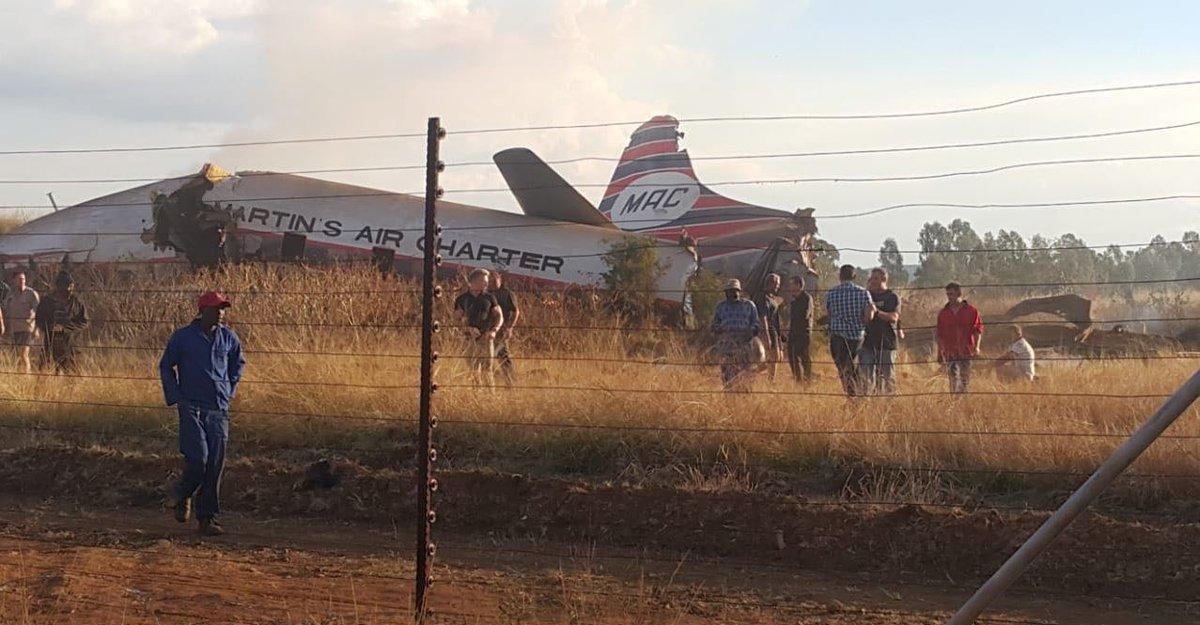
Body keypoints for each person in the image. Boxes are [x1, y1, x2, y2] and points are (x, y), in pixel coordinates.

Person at [160, 291, 245, 536]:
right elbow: (166, 365)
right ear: (202, 310)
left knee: (215, 465)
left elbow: (238, 363)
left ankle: (208, 518)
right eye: (216, 308)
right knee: (199, 458)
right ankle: (183, 493)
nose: (220, 313)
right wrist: (175, 396)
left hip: (218, 408)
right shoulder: (184, 337)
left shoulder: (228, 337)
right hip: (192, 406)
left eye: (223, 309)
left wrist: (230, 388)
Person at [825, 265, 875, 396]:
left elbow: (829, 314)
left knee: (844, 369)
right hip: (857, 338)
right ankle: (859, 394)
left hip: (837, 337)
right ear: (854, 276)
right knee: (856, 368)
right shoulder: (864, 293)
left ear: (840, 276)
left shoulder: (832, 293)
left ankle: (851, 395)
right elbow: (868, 317)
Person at [454, 268, 503, 387]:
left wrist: (494, 330)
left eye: (487, 281)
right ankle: (477, 395)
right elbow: (456, 320)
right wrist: (467, 329)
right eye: (484, 281)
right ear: (474, 282)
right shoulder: (461, 299)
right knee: (473, 370)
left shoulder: (490, 298)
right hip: (469, 339)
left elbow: (499, 316)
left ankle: (491, 396)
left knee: (488, 369)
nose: (486, 284)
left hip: (486, 338)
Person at [711, 278, 761, 391]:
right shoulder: (721, 306)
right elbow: (713, 325)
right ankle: (730, 400)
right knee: (728, 378)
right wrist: (720, 329)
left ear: (739, 291)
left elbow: (757, 324)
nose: (730, 293)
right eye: (728, 291)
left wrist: (750, 332)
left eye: (733, 290)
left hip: (745, 346)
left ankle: (745, 400)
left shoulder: (749, 305)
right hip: (727, 346)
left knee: (746, 376)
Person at [859, 268, 901, 395]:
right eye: (871, 278)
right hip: (868, 343)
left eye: (875, 278)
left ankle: (890, 406)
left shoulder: (892, 297)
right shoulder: (866, 296)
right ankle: (868, 404)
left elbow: (894, 317)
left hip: (887, 343)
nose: (872, 281)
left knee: (888, 378)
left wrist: (877, 311)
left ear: (884, 279)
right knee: (866, 377)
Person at [935, 282, 983, 394]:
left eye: (951, 294)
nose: (949, 297)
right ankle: (954, 403)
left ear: (959, 294)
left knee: (964, 380)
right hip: (950, 351)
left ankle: (964, 402)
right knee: (952, 380)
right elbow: (940, 335)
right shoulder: (943, 313)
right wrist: (940, 352)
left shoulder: (971, 311)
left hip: (966, 350)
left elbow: (977, 330)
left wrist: (977, 347)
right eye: (948, 294)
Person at [36, 273, 89, 372]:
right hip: (50, 340)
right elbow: (39, 319)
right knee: (45, 370)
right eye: (67, 286)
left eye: (71, 286)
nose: (69, 289)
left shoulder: (76, 302)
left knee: (70, 371)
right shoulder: (47, 301)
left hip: (69, 342)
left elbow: (84, 322)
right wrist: (49, 327)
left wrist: (66, 328)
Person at [3, 270, 40, 374]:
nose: (21, 281)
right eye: (19, 279)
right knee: (15, 355)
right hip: (15, 329)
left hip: (27, 328)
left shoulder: (31, 293)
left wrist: (36, 330)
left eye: (23, 279)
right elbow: (5, 309)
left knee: (24, 354)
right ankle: (19, 375)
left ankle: (27, 376)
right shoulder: (10, 294)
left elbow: (39, 313)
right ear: (14, 280)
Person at [488, 270, 520, 387]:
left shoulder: (507, 293)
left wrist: (510, 327)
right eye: (490, 280)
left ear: (500, 279)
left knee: (502, 355)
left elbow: (516, 311)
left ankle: (510, 382)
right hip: (488, 329)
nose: (492, 282)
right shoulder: (487, 293)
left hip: (502, 329)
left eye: (494, 279)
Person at [752, 273, 784, 380]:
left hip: (773, 331)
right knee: (767, 359)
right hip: (766, 331)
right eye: (777, 284)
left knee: (775, 358)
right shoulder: (762, 297)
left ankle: (770, 380)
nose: (778, 286)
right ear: (771, 283)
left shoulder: (772, 298)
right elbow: (763, 317)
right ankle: (748, 373)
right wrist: (766, 335)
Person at [786, 275, 813, 383]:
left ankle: (807, 381)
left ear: (798, 285)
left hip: (803, 333)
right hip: (793, 333)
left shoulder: (806, 298)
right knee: (792, 357)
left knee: (804, 358)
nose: (790, 287)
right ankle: (798, 381)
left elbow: (804, 315)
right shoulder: (794, 301)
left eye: (792, 284)